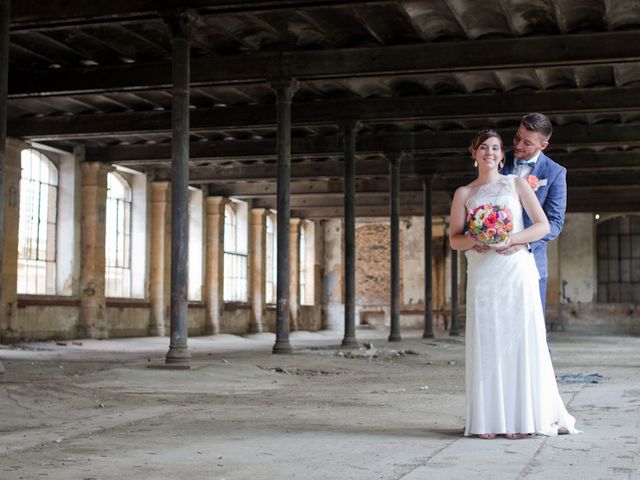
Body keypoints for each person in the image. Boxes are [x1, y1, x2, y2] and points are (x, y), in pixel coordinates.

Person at [449, 129, 579, 439]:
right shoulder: (464, 194)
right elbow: (454, 239)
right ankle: (487, 421)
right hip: (482, 272)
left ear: (502, 155)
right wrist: (474, 238)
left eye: (495, 147)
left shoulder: (516, 184)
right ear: (474, 153)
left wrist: (510, 239)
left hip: (515, 268)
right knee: (487, 340)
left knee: (519, 340)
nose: (489, 152)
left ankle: (521, 419)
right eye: (483, 147)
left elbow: (543, 225)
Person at [498, 113, 567, 320]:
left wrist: (524, 242)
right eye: (517, 137)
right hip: (496, 258)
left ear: (543, 145)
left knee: (532, 327)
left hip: (532, 258)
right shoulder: (499, 161)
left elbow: (555, 222)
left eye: (527, 143)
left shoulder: (555, 172)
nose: (518, 145)